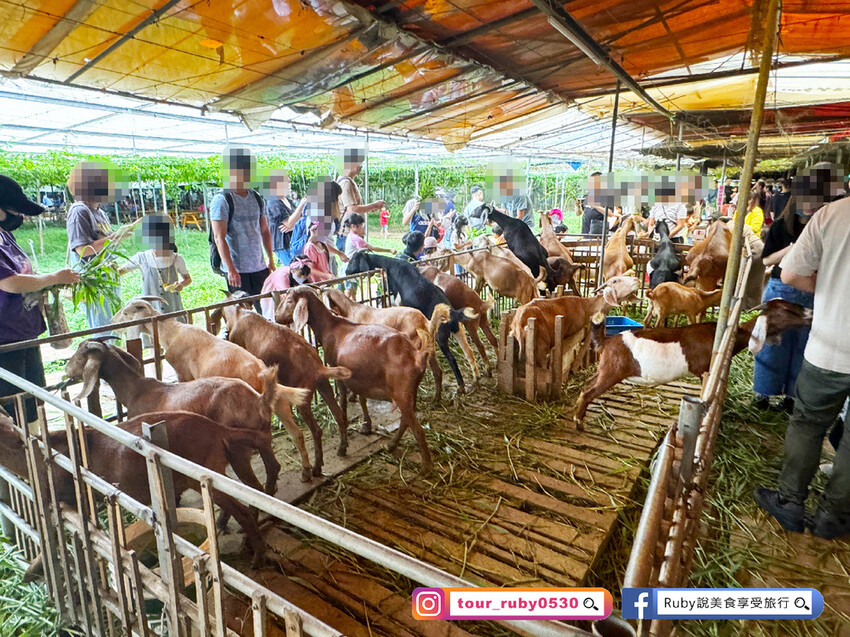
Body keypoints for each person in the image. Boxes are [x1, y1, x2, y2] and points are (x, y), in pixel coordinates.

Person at [754, 163, 850, 540]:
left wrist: (829, 293)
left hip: (831, 345)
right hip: (801, 316)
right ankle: (835, 516)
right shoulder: (787, 221)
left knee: (809, 423)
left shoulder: (833, 216)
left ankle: (791, 501)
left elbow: (791, 273)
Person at [1, 176, 79, 424]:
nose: (20, 217)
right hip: (4, 342)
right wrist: (52, 278)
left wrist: (48, 284)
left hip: (23, 332)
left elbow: (23, 275)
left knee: (33, 397)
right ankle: (19, 456)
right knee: (13, 407)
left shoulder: (5, 236)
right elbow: (9, 282)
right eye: (15, 211)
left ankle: (35, 446)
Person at [752, 192, 815, 413]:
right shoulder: (780, 228)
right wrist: (793, 247)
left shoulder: (821, 228)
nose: (810, 206)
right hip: (780, 290)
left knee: (802, 346)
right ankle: (763, 394)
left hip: (810, 291)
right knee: (772, 342)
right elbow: (767, 259)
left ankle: (791, 397)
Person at [210, 147, 275, 309]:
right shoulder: (222, 200)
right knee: (243, 314)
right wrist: (231, 269)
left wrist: (270, 259)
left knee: (266, 310)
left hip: (259, 266)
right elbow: (219, 237)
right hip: (237, 269)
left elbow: (264, 230)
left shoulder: (256, 198)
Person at [66, 161, 119, 331]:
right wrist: (116, 236)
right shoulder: (79, 211)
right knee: (103, 331)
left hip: (108, 280)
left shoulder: (99, 212)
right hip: (95, 285)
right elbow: (83, 250)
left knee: (114, 326)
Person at [120, 214, 191, 320]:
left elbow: (187, 279)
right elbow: (119, 272)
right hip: (150, 316)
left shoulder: (177, 258)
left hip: (174, 312)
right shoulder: (142, 258)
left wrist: (181, 285)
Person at [336, 148, 386, 254]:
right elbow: (352, 209)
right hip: (347, 233)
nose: (361, 166)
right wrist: (374, 205)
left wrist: (368, 209)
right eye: (359, 163)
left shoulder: (348, 181)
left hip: (352, 233)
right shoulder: (345, 183)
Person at [260, 254, 333, 319]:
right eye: (300, 275)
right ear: (292, 271)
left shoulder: (305, 273)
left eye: (305, 276)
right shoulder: (282, 277)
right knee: (275, 314)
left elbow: (312, 287)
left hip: (292, 291)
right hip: (275, 294)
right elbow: (287, 296)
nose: (303, 277)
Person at [342, 213, 393, 298]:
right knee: (349, 291)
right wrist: (389, 250)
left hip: (348, 266)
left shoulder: (351, 236)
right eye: (361, 226)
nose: (362, 228)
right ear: (354, 226)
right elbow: (372, 248)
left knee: (352, 290)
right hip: (351, 267)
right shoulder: (357, 239)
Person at [266, 170, 299, 266]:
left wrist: (294, 225)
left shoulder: (288, 200)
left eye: (289, 182)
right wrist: (301, 205)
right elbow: (288, 223)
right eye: (286, 183)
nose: (289, 185)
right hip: (283, 244)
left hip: (294, 242)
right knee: (293, 269)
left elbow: (299, 218)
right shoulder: (273, 202)